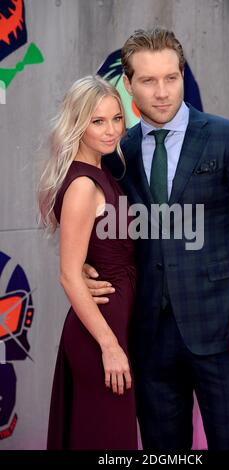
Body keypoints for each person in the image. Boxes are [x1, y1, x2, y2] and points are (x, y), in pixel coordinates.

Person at [83, 28, 229, 450]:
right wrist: (87, 265)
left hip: (225, 331)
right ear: (129, 85)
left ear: (182, 75)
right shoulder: (121, 151)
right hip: (149, 336)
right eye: (148, 81)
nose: (161, 92)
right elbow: (114, 227)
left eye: (170, 78)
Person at [38, 76, 138, 450]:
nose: (111, 130)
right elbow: (68, 274)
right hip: (100, 332)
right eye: (98, 121)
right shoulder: (83, 185)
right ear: (77, 123)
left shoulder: (103, 173)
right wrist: (110, 346)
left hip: (113, 324)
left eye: (116, 118)